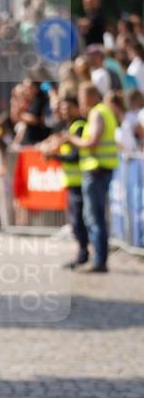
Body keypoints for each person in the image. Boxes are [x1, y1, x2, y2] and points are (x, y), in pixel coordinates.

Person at [62, 83, 119, 274]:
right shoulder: (103, 111)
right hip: (100, 170)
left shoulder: (97, 113)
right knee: (94, 216)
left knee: (94, 218)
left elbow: (92, 143)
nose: (80, 102)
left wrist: (71, 140)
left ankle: (99, 260)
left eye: (82, 98)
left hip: (96, 171)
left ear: (91, 96)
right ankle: (97, 259)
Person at [41, 96, 88, 269]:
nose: (64, 111)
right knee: (77, 222)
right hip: (73, 181)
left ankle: (84, 255)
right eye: (62, 108)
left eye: (68, 108)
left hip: (80, 181)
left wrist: (54, 156)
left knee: (80, 221)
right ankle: (82, 254)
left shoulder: (79, 127)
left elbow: (75, 156)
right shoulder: (69, 127)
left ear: (77, 107)